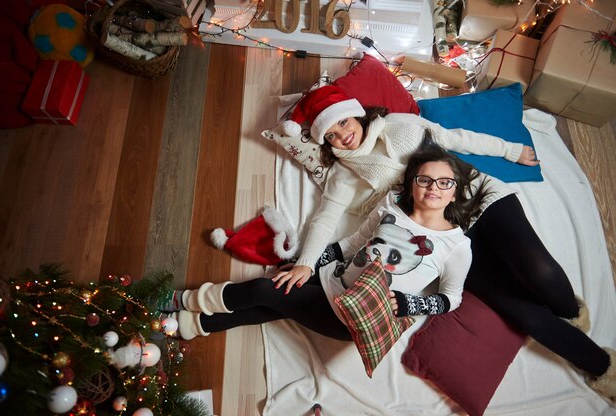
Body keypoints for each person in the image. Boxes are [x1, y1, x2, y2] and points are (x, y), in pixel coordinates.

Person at [272, 85, 616, 402]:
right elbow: (326, 217)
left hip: (478, 198)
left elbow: (453, 139)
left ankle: (572, 313)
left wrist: (510, 150)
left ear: (357, 113)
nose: (343, 135)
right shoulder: (344, 174)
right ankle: (604, 367)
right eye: (331, 135)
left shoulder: (400, 126)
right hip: (446, 241)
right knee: (521, 311)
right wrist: (306, 261)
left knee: (540, 270)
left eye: (343, 122)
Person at [159, 144, 484, 345]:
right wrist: (308, 262)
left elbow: (451, 299)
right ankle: (194, 324)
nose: (433, 188)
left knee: (264, 291)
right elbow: (354, 242)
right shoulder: (390, 206)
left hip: (352, 316)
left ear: (455, 192)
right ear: (413, 184)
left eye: (444, 183)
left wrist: (412, 305)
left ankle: (183, 299)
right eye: (424, 180)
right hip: (332, 278)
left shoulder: (456, 246)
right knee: (275, 298)